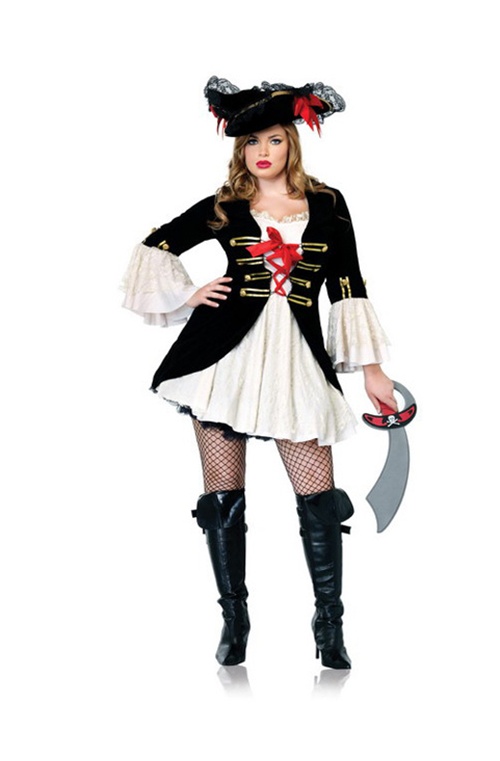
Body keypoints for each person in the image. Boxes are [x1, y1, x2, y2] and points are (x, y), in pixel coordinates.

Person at [121, 76, 396, 670]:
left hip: (297, 359)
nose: (262, 151)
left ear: (291, 143)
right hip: (221, 360)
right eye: (251, 142)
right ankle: (234, 620)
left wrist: (372, 372)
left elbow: (348, 284)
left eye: (273, 139)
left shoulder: (328, 204)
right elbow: (155, 245)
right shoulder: (226, 205)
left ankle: (329, 624)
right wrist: (189, 295)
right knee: (223, 498)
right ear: (240, 150)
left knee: (319, 498)